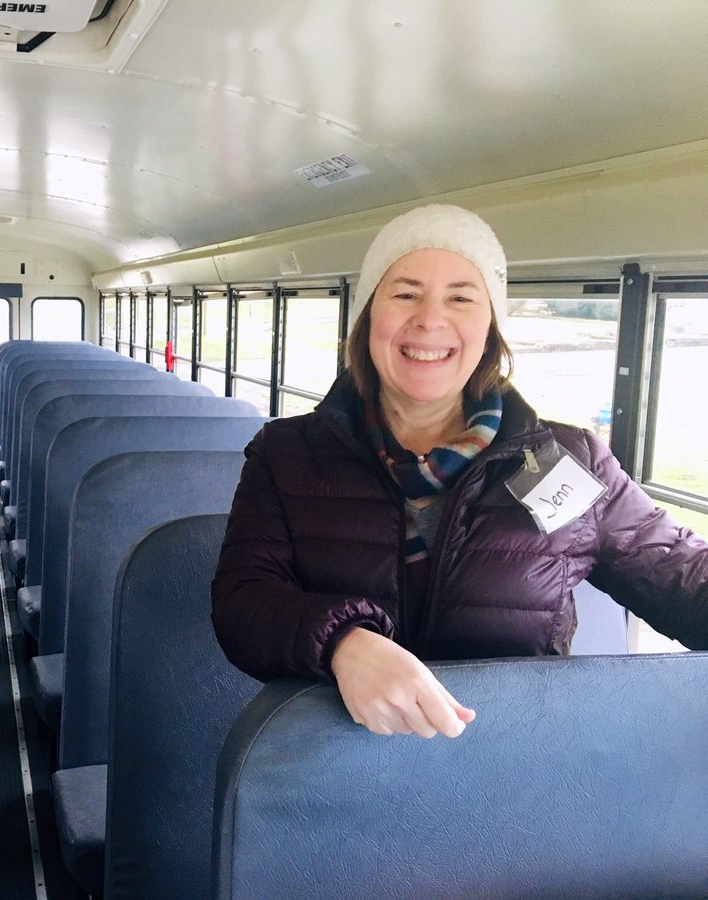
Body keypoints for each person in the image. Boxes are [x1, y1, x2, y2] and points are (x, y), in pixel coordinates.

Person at [211, 203, 708, 741]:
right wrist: (342, 643)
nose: (430, 319)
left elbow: (682, 577)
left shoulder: (573, 462)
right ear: (368, 316)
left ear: (489, 324)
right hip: (331, 765)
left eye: (461, 298)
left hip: (509, 772)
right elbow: (244, 601)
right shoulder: (286, 454)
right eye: (405, 294)